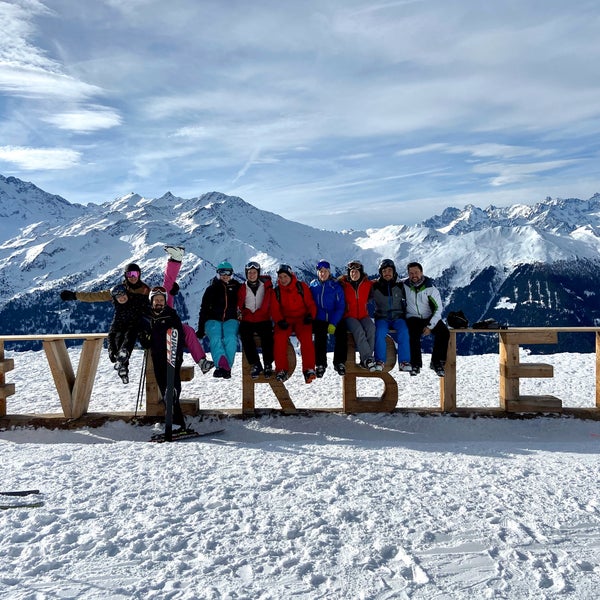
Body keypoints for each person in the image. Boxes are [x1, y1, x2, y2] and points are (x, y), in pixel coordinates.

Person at [60, 247, 214, 375]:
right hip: (136, 328)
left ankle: (201, 361)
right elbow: (96, 296)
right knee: (122, 339)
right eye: (129, 274)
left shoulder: (145, 290)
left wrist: (171, 291)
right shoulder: (119, 291)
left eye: (135, 274)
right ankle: (122, 364)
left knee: (180, 320)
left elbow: (159, 298)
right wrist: (75, 295)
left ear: (139, 274)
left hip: (151, 322)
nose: (132, 277)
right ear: (125, 276)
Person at [139, 286, 187, 429]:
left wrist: (177, 355)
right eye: (156, 300)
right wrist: (144, 337)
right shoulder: (146, 316)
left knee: (172, 387)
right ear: (151, 301)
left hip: (172, 356)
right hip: (157, 356)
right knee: (164, 389)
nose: (159, 302)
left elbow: (179, 336)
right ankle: (176, 423)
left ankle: (177, 423)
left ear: (165, 301)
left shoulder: (171, 315)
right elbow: (144, 340)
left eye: (161, 300)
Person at [271, 264, 317, 383]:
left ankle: (309, 369)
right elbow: (274, 309)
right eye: (280, 277)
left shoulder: (301, 287)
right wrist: (279, 320)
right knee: (279, 338)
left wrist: (310, 315)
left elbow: (311, 304)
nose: (283, 279)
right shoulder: (276, 291)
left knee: (306, 338)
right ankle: (281, 369)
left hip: (302, 319)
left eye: (285, 276)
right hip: (285, 320)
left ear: (291, 276)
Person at [403, 261, 450, 377]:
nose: (414, 275)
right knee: (412, 333)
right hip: (412, 317)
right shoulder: (404, 286)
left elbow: (438, 309)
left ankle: (436, 362)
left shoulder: (430, 288)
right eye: (411, 273)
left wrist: (430, 326)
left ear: (422, 273)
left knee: (444, 332)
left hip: (428, 317)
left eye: (416, 272)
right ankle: (415, 364)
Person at [197, 261, 241, 379]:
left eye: (227, 272)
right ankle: (222, 366)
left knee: (230, 338)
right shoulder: (211, 289)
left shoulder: (237, 287)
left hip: (231, 319)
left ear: (231, 274)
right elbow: (204, 309)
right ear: (218, 273)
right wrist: (201, 328)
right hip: (212, 319)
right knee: (216, 338)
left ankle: (226, 367)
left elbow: (245, 302)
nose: (225, 275)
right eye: (222, 272)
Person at [372, 259, 411, 372]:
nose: (387, 273)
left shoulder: (400, 285)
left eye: (390, 270)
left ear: (394, 272)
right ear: (381, 273)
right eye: (384, 271)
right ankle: (380, 361)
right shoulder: (375, 286)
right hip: (382, 317)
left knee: (404, 331)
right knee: (379, 333)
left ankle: (404, 362)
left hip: (398, 317)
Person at [237, 261, 275, 379]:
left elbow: (270, 302)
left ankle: (268, 364)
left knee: (267, 336)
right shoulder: (243, 287)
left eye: (254, 272)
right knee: (245, 335)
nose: (252, 275)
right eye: (249, 273)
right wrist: (240, 312)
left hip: (262, 317)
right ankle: (255, 364)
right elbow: (239, 303)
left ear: (258, 274)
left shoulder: (266, 286)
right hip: (248, 318)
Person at [309, 259, 347, 377]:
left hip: (334, 317)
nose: (323, 273)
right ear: (317, 273)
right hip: (319, 318)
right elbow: (309, 302)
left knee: (342, 333)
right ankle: (320, 364)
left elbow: (341, 307)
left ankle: (339, 362)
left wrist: (334, 323)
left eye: (325, 271)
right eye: (320, 271)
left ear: (329, 272)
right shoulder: (313, 285)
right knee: (320, 336)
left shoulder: (335, 286)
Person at [338, 259, 376, 371]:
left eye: (356, 272)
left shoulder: (367, 284)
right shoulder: (343, 284)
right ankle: (368, 359)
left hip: (364, 315)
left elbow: (381, 283)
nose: (354, 274)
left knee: (371, 328)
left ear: (361, 272)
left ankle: (366, 360)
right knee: (359, 331)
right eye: (352, 272)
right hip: (349, 316)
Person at [106, 283, 147, 384]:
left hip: (140, 326)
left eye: (123, 294)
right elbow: (112, 331)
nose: (122, 298)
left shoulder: (137, 300)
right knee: (118, 337)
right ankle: (123, 366)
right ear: (115, 299)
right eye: (118, 296)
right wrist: (112, 349)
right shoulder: (119, 310)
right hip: (128, 328)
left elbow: (151, 299)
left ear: (127, 293)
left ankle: (124, 352)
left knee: (130, 334)